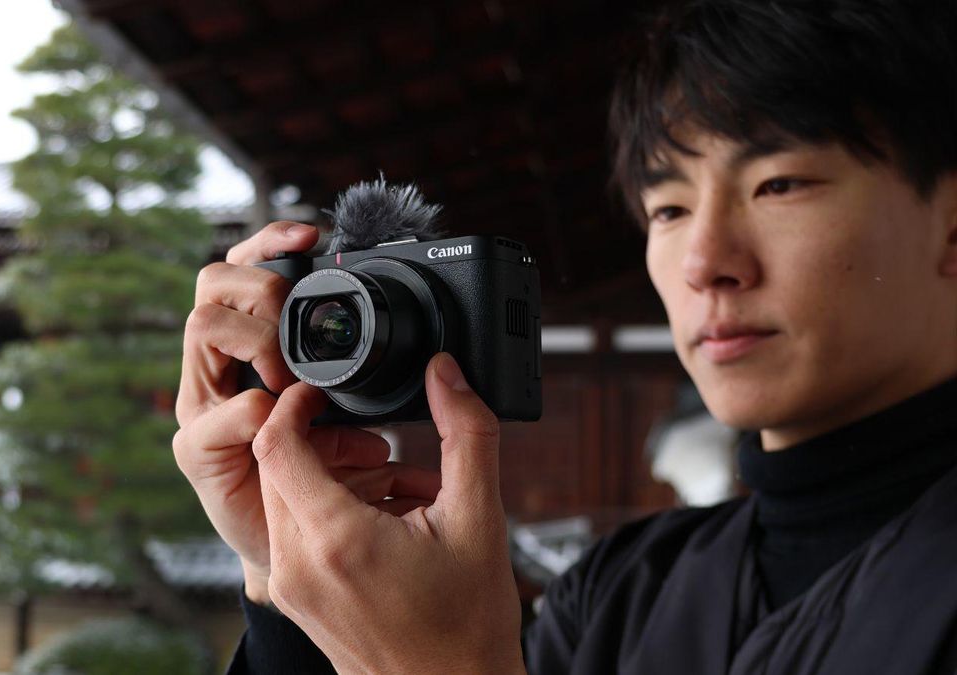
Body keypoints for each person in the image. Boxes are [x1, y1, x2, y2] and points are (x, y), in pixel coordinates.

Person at [172, 0, 957, 672]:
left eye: (778, 184)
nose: (704, 263)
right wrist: (289, 589)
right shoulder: (618, 593)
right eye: (669, 209)